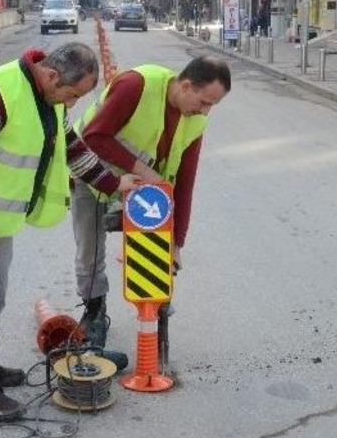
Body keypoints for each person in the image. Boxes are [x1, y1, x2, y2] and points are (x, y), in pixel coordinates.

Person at [0, 43, 141, 423]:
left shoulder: (49, 101)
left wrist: (114, 183)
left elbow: (73, 150)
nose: (72, 104)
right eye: (72, 95)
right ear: (53, 75)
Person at [70, 56, 232, 348]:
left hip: (141, 190)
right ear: (185, 86)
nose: (205, 111)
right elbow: (93, 137)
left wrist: (176, 244)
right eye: (205, 102)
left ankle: (154, 304)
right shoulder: (136, 85)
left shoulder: (195, 121)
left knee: (157, 241)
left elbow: (183, 184)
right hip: (93, 175)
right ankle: (94, 312)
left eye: (213, 106)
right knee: (90, 251)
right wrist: (143, 171)